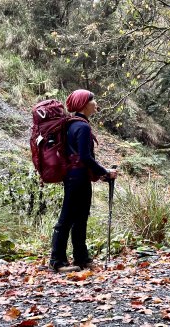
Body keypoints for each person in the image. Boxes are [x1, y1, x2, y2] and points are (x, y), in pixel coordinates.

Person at [49, 89, 118, 271]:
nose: (96, 103)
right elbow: (85, 158)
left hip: (74, 177)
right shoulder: (83, 127)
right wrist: (106, 172)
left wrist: (101, 173)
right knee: (69, 218)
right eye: (93, 100)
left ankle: (82, 258)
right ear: (84, 104)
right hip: (78, 178)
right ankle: (57, 262)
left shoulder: (72, 124)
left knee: (79, 218)